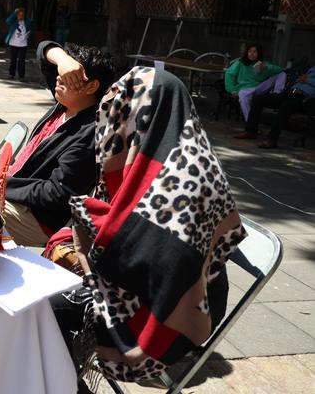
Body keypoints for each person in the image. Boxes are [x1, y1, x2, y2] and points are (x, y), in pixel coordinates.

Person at [46, 67, 244, 389]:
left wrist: (93, 241)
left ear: (142, 113)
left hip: (166, 312)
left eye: (120, 111)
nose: (108, 124)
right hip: (139, 285)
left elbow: (168, 264)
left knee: (48, 312)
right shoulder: (154, 152)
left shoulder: (186, 177)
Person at [3, 41, 114, 247]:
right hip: (17, 193)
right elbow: (43, 48)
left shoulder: (88, 132)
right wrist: (63, 60)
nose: (58, 78)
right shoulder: (64, 103)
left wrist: (5, 185)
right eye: (61, 72)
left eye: (69, 77)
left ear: (91, 86)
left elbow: (58, 193)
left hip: (39, 220)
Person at [236, 65, 315, 149]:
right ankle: (251, 131)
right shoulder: (312, 68)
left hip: (304, 98)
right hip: (289, 93)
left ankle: (271, 139)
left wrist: (308, 80)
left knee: (285, 107)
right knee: (258, 99)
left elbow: (308, 81)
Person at [226, 43, 285, 121]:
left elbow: (280, 69)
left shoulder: (259, 64)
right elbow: (229, 74)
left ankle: (277, 94)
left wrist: (267, 67)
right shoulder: (241, 62)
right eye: (250, 51)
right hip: (245, 89)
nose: (251, 54)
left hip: (259, 88)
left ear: (259, 53)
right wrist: (233, 90)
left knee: (282, 74)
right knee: (242, 94)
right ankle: (250, 122)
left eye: (255, 52)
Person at [4, 7, 34, 81]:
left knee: (21, 61)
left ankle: (21, 76)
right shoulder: (13, 21)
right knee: (13, 60)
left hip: (23, 44)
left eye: (22, 15)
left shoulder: (27, 21)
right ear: (16, 15)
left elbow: (32, 27)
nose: (20, 16)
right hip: (13, 43)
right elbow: (7, 21)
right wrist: (14, 13)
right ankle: (11, 74)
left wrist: (29, 33)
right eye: (19, 15)